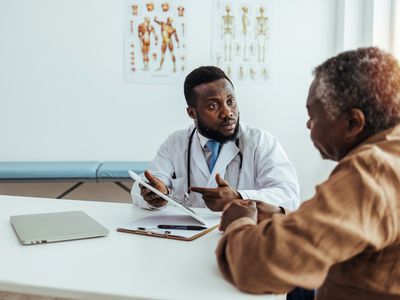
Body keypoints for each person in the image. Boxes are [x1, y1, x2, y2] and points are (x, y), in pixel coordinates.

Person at [216, 47, 400, 300]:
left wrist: (239, 221)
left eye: (313, 116)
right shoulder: (392, 150)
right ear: (191, 112)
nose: (308, 125)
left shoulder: (372, 171)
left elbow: (257, 265)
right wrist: (285, 217)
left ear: (352, 123)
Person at [131, 66, 300, 212]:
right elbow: (142, 188)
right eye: (213, 106)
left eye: (230, 101)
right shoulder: (176, 143)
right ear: (192, 113)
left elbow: (289, 194)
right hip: (189, 239)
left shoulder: (260, 141)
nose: (227, 113)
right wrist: (155, 195)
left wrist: (239, 197)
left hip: (242, 236)